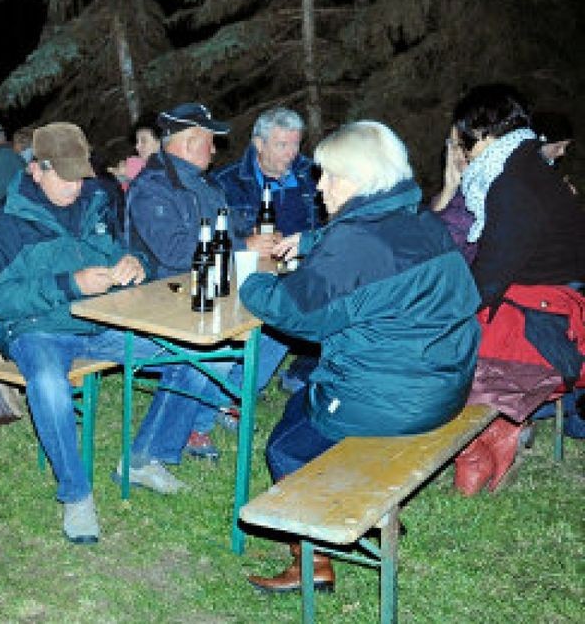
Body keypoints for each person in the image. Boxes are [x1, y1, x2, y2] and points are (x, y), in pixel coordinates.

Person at [240, 120, 481, 594]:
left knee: (287, 444)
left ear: (363, 179)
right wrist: (312, 244)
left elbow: (298, 313)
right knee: (310, 390)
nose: (320, 186)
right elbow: (377, 255)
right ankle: (372, 506)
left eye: (330, 176)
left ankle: (316, 560)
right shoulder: (420, 222)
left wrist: (249, 280)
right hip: (447, 384)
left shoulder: (355, 242)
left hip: (395, 401)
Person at [0, 121, 203, 544]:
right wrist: (71, 284)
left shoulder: (97, 199)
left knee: (191, 355)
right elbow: (1, 301)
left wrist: (134, 264)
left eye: (80, 176)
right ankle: (76, 495)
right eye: (64, 178)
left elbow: (122, 249)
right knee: (48, 385)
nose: (74, 187)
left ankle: (144, 456)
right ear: (36, 170)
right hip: (37, 330)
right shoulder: (6, 223)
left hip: (100, 321)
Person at [444, 84, 585, 492]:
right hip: (549, 298)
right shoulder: (529, 167)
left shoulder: (513, 185)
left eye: (463, 141)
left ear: (484, 133)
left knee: (446, 351)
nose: (463, 151)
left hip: (545, 319)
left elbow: (489, 278)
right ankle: (494, 436)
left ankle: (492, 437)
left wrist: (442, 311)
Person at [123, 102, 244, 461]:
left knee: (275, 323)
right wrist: (242, 246)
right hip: (164, 298)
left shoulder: (205, 184)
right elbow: (175, 253)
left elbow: (230, 230)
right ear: (190, 144)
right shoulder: (153, 187)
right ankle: (196, 423)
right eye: (210, 141)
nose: (215, 149)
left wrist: (256, 239)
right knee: (215, 350)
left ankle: (209, 410)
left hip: (207, 286)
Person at [212, 107, 322, 392]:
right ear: (259, 145)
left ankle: (305, 370)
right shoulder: (226, 182)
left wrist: (304, 240)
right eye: (282, 145)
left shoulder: (314, 175)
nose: (291, 153)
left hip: (306, 269)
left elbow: (334, 225)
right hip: (253, 272)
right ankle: (236, 390)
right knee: (277, 314)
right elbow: (212, 237)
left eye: (296, 144)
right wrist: (245, 244)